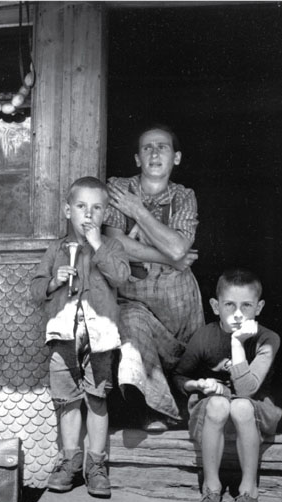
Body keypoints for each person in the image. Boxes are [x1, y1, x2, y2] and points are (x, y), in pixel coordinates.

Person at [31, 176, 130, 498]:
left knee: (97, 398)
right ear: (67, 210)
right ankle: (70, 461)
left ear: (105, 214)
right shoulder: (55, 249)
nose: (88, 214)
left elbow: (122, 277)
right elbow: (35, 289)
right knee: (67, 400)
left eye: (97, 208)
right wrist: (53, 282)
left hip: (100, 336)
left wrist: (98, 244)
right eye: (81, 207)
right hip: (63, 335)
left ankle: (97, 465)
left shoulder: (112, 246)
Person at [103, 124, 205, 431]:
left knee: (189, 369)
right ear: (137, 158)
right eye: (147, 147)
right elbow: (115, 243)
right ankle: (159, 411)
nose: (155, 152)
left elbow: (179, 245)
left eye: (163, 147)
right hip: (136, 297)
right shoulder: (119, 189)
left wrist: (137, 210)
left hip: (179, 303)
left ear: (176, 158)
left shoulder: (184, 196)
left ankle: (193, 415)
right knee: (131, 321)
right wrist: (169, 257)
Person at [173, 268, 281, 502]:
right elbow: (179, 377)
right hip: (215, 412)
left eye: (247, 305)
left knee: (241, 405)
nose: (238, 313)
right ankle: (211, 489)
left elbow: (246, 390)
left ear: (259, 307)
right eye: (229, 304)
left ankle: (248, 492)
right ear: (215, 305)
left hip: (254, 413)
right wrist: (197, 385)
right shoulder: (204, 337)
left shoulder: (268, 339)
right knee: (220, 404)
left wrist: (237, 343)